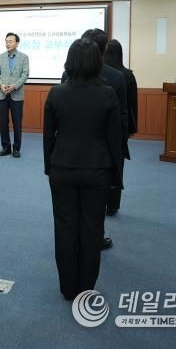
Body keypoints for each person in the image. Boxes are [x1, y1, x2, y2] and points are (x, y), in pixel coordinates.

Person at [44, 38, 122, 301]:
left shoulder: (56, 93)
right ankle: (86, 288)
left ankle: (68, 287)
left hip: (62, 168)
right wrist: (116, 177)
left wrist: (49, 167)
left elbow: (48, 136)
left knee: (65, 228)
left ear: (70, 61)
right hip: (97, 170)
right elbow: (114, 141)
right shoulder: (107, 94)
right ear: (97, 62)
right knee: (92, 229)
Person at [73, 28, 127, 250]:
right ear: (104, 49)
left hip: (71, 151)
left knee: (74, 201)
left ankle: (77, 237)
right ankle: (95, 238)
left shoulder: (68, 76)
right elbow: (120, 121)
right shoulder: (116, 77)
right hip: (101, 153)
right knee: (96, 203)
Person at [103, 39, 138, 215]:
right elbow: (132, 106)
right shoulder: (127, 74)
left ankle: (100, 202)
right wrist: (130, 130)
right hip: (119, 129)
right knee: (117, 166)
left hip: (101, 127)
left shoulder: (102, 74)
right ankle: (113, 204)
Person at [0, 33, 30, 158]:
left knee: (17, 123)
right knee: (3, 122)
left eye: (10, 41)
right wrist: (1, 85)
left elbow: (25, 74)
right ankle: (6, 147)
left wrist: (14, 86)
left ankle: (16, 148)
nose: (7, 43)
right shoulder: (0, 57)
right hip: (2, 94)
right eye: (6, 41)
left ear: (17, 43)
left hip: (16, 94)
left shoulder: (24, 57)